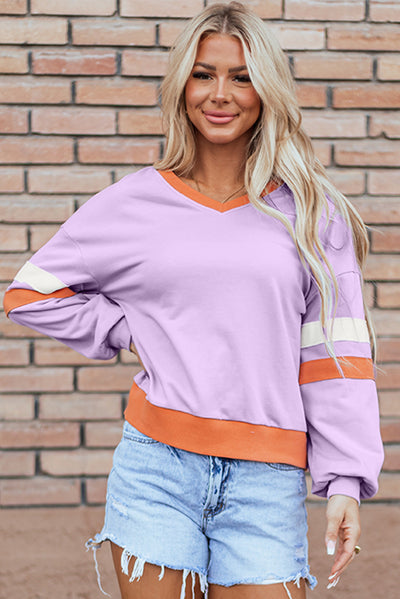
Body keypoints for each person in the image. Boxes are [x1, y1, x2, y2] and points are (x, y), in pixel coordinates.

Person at [3, 3, 384, 599]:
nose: (220, 94)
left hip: (266, 481)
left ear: (267, 90)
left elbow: (336, 357)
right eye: (204, 74)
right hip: (156, 469)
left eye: (241, 77)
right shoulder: (133, 203)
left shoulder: (313, 213)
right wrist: (128, 328)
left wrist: (344, 481)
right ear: (182, 87)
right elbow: (30, 292)